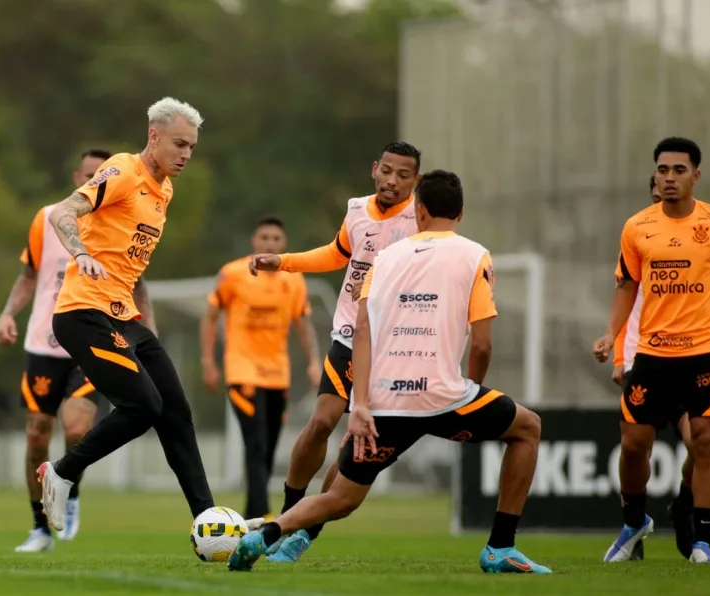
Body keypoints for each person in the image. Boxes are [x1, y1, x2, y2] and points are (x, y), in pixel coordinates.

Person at [228, 170, 550, 574]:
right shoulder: (475, 255)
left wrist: (361, 403)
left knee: (341, 499)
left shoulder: (385, 259)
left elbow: (362, 330)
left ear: (420, 209)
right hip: (443, 396)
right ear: (461, 213)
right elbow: (482, 343)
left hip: (386, 399)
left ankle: (266, 535)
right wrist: (474, 389)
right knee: (528, 428)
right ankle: (500, 547)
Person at [37, 97, 216, 531]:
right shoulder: (121, 170)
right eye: (178, 144)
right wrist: (81, 253)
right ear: (153, 137)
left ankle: (208, 519)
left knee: (176, 412)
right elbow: (64, 212)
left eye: (191, 146)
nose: (186, 154)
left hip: (125, 318)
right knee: (144, 406)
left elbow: (131, 265)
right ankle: (62, 472)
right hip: (83, 312)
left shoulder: (165, 191)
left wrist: (146, 322)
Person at [593, 137, 710, 565]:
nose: (669, 178)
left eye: (678, 170)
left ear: (696, 175)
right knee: (633, 444)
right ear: (654, 174)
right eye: (662, 170)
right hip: (653, 355)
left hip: (706, 352)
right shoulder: (637, 227)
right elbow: (626, 285)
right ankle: (634, 522)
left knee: (706, 443)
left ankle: (702, 543)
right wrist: (611, 335)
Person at [247, 141, 422, 562]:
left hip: (394, 347)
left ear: (415, 181)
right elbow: (336, 254)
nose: (393, 181)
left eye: (404, 176)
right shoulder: (357, 210)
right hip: (348, 334)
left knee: (354, 446)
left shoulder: (422, 219)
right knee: (322, 420)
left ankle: (306, 532)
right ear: (374, 169)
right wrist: (282, 261)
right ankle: (289, 513)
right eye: (388, 171)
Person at [0, 149, 118, 551]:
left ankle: (69, 490)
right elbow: (29, 275)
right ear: (76, 177)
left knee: (78, 428)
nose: (93, 184)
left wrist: (144, 330)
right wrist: (7, 313)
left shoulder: (119, 219)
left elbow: (136, 284)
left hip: (91, 340)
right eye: (88, 176)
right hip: (42, 343)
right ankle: (39, 528)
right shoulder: (47, 217)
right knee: (36, 436)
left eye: (100, 178)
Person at [200, 216, 322, 521]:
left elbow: (303, 324)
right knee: (254, 443)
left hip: (278, 374)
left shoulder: (293, 278)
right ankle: (265, 513)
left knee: (267, 448)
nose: (270, 243)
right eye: (264, 238)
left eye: (276, 239)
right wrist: (207, 362)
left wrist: (314, 363)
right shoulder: (233, 274)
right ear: (254, 241)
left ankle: (252, 512)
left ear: (284, 245)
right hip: (242, 370)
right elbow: (210, 316)